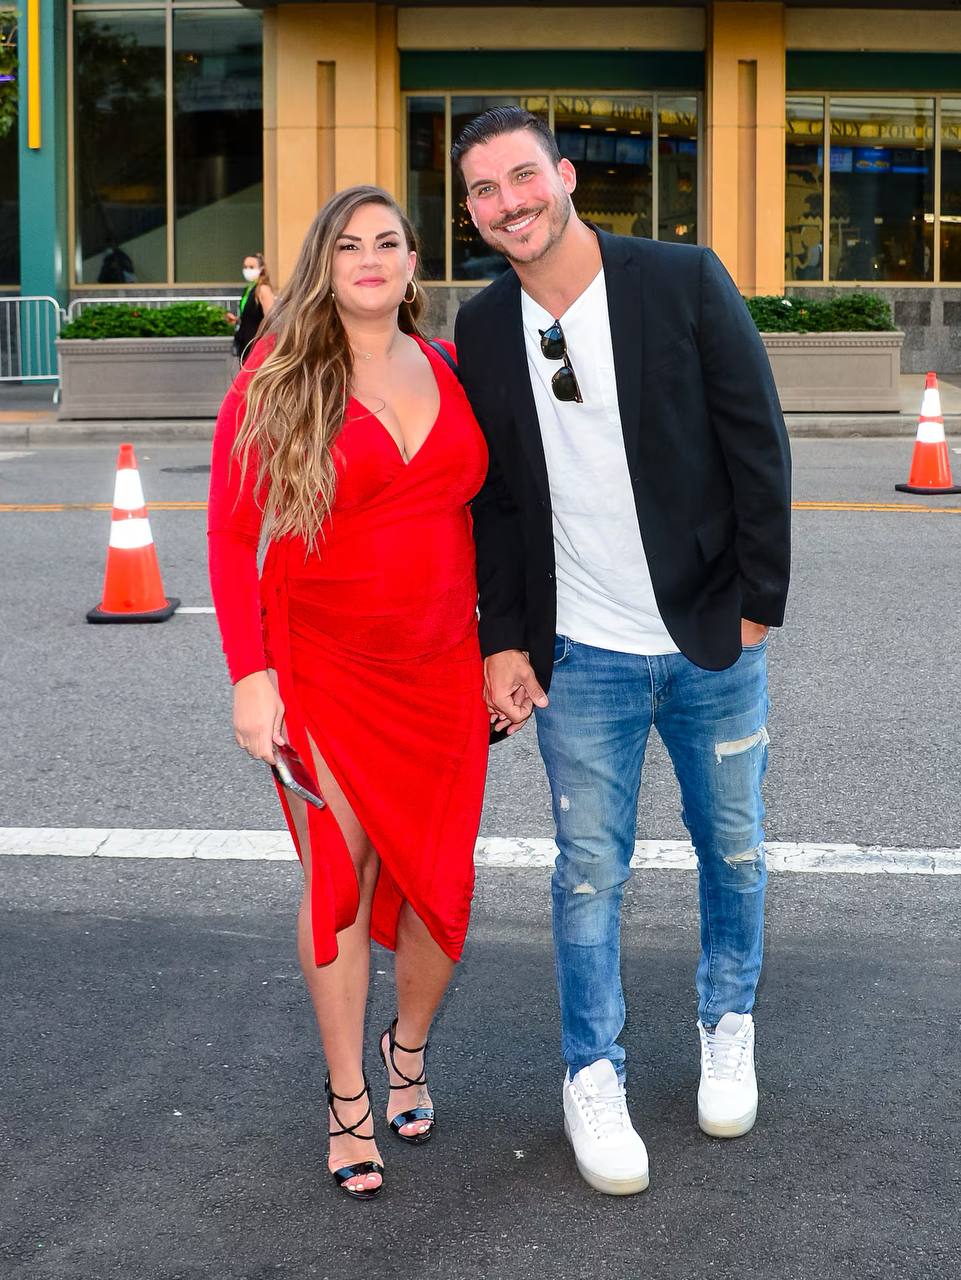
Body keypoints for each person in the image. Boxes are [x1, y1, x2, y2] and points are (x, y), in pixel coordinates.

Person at [450, 108, 791, 1196]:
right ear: (471, 212)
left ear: (564, 176)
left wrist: (756, 604)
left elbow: (756, 440)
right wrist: (503, 640)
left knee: (733, 848)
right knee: (588, 871)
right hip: (579, 654)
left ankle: (726, 1021)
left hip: (710, 639)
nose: (508, 203)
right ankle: (591, 1070)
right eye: (483, 190)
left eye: (521, 176)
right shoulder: (481, 325)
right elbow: (495, 504)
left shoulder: (679, 280)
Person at [207, 187, 490, 1199]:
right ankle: (346, 1098)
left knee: (442, 886)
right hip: (322, 668)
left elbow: (490, 518)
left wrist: (501, 649)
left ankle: (405, 1046)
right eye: (348, 244)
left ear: (414, 262)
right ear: (322, 265)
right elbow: (233, 536)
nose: (369, 258)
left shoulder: (449, 365)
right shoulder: (278, 375)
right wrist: (251, 676)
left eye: (388, 242)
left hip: (441, 671)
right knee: (339, 878)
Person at [226, 253, 275, 361]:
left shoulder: (263, 289)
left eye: (251, 267)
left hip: (256, 344)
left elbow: (270, 318)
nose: (247, 270)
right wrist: (238, 320)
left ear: (261, 269)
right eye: (245, 267)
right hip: (245, 342)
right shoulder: (249, 289)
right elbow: (251, 316)